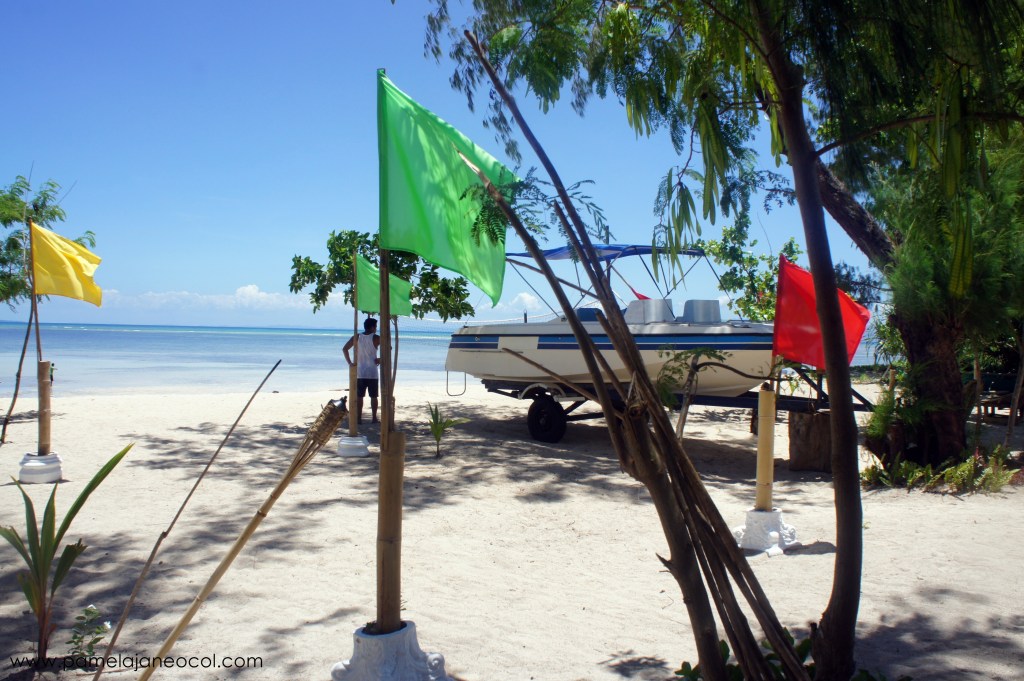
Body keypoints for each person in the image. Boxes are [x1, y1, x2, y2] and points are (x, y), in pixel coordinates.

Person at [343, 317, 381, 424]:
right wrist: (381, 359)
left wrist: (350, 363)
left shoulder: (357, 337)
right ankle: (374, 418)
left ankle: (359, 419)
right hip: (372, 372)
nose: (376, 328)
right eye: (376, 326)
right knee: (374, 396)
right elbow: (389, 348)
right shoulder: (376, 338)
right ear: (373, 327)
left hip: (360, 372)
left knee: (360, 396)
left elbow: (345, 349)